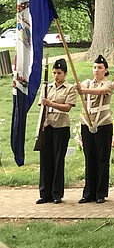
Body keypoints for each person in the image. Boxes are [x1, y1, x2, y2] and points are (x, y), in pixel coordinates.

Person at [36, 58, 77, 204]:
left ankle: (56, 193)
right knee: (46, 160)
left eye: (59, 73)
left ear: (65, 74)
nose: (56, 76)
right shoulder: (47, 87)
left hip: (61, 126)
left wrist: (51, 103)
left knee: (58, 160)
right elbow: (41, 104)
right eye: (54, 73)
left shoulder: (70, 88)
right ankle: (44, 193)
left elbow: (67, 107)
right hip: (47, 125)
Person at [76, 54, 114, 204]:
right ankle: (88, 193)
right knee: (89, 157)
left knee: (102, 158)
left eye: (99, 68)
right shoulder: (87, 82)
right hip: (87, 123)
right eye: (94, 67)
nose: (96, 70)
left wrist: (83, 91)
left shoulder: (108, 84)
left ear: (105, 70)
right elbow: (82, 87)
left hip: (103, 124)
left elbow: (100, 92)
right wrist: (80, 88)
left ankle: (100, 193)